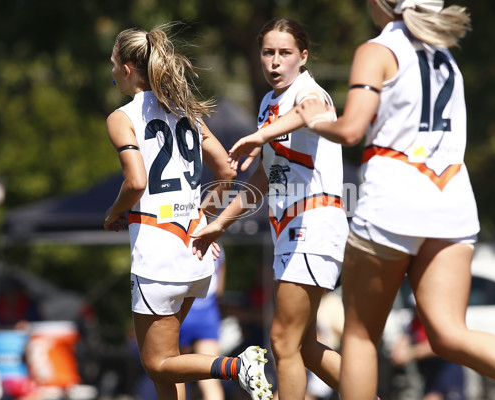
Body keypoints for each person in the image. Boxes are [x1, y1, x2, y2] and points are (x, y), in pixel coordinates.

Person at [294, 1, 495, 400]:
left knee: (359, 336)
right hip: (452, 200)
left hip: (394, 199)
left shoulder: (377, 50)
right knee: (449, 333)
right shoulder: (444, 56)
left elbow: (352, 130)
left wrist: (314, 119)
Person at [103, 23, 272, 400]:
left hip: (158, 252)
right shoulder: (188, 114)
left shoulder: (122, 116)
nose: (112, 71)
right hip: (194, 249)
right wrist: (207, 221)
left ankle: (234, 366)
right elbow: (227, 170)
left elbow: (135, 183)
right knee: (168, 361)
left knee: (156, 364)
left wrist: (114, 213)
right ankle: (232, 367)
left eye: (113, 63)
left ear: (128, 68)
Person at [192, 18, 355, 400]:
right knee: (307, 348)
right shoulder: (269, 102)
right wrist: (220, 223)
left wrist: (260, 135)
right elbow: (266, 175)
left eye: (285, 53)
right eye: (268, 53)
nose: (275, 62)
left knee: (283, 340)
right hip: (288, 230)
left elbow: (314, 111)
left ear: (303, 56)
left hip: (313, 224)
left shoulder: (308, 91)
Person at [178, 242, 227, 400]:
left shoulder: (181, 242)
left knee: (176, 376)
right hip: (207, 315)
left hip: (182, 313)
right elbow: (219, 290)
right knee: (210, 380)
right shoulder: (218, 248)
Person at [391, 304, 466, 400]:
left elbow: (442, 345)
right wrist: (401, 352)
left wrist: (411, 353)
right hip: (431, 374)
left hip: (447, 370)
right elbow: (400, 350)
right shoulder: (414, 324)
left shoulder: (440, 322)